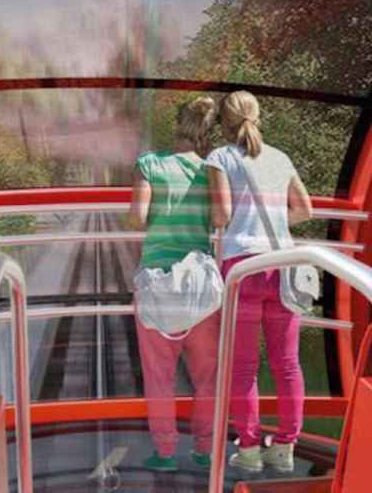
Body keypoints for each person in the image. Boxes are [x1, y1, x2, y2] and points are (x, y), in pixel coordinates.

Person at [206, 90, 313, 473]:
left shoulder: (219, 157)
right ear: (258, 116)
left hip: (242, 270)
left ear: (225, 122)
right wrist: (277, 223)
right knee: (287, 364)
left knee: (244, 368)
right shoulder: (280, 158)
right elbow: (303, 210)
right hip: (282, 267)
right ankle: (285, 446)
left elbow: (221, 215)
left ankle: (249, 450)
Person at [128, 97, 220, 473]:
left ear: (175, 125)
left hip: (159, 284)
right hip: (200, 284)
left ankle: (165, 453)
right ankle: (205, 449)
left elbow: (137, 218)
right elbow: (219, 218)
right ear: (206, 131)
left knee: (159, 377)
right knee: (207, 377)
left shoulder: (150, 165)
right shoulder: (213, 170)